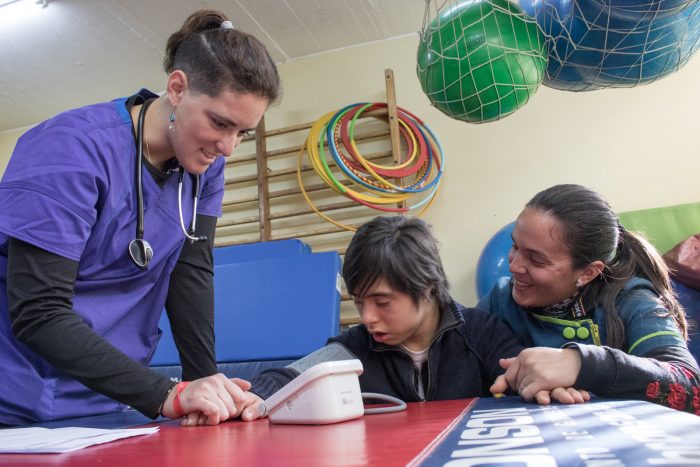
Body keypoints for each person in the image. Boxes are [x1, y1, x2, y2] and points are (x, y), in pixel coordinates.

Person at [0, 10, 280, 426]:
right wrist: (165, 393)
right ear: (178, 87)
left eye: (243, 132)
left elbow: (190, 273)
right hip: (16, 394)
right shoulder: (68, 150)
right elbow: (39, 310)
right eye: (220, 123)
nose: (228, 148)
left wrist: (205, 383)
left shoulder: (205, 167)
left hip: (106, 397)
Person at [207, 216, 588, 426]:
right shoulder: (354, 347)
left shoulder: (482, 333)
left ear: (426, 288)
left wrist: (543, 385)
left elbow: (522, 371)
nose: (367, 317)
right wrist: (249, 395)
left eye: (383, 302)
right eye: (359, 302)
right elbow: (293, 376)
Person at [480, 184, 700, 415]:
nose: (513, 266)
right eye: (515, 246)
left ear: (588, 272)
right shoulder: (500, 299)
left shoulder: (632, 301)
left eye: (537, 260)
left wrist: (582, 364)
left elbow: (692, 390)